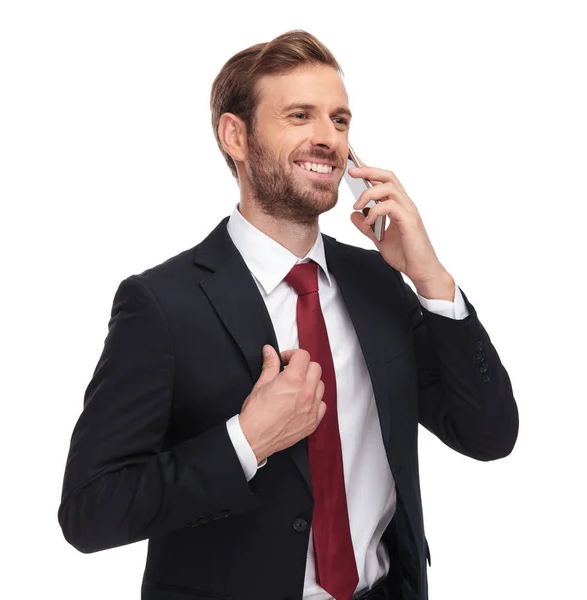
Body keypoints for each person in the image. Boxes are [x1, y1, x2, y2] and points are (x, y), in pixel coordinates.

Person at [58, 29, 519, 600]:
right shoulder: (161, 305)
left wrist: (430, 277)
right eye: (300, 116)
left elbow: (490, 434)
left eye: (341, 120)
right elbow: (89, 511)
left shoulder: (380, 282)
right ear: (236, 136)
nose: (328, 137)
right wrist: (245, 441)